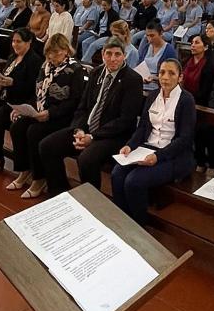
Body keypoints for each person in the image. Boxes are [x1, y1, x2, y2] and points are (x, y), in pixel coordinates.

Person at [39, 37, 144, 196]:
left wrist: (92, 137)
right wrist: (79, 130)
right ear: (102, 54)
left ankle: (91, 202)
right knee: (47, 145)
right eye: (108, 54)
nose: (113, 58)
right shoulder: (95, 72)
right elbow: (82, 107)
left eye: (117, 54)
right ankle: (59, 192)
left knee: (87, 159)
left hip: (113, 136)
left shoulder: (133, 80)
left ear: (124, 56)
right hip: (87, 129)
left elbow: (125, 120)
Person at [112, 59, 196, 224]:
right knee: (117, 173)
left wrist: (158, 156)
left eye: (171, 73)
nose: (165, 77)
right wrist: (130, 145)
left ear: (180, 77)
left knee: (133, 181)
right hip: (147, 149)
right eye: (162, 72)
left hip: (173, 155)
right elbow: (143, 128)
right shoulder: (152, 96)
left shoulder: (186, 100)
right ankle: (122, 221)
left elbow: (185, 139)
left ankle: (139, 225)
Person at [6, 33, 86, 197]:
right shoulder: (46, 66)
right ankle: (25, 170)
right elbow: (38, 92)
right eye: (49, 52)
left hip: (63, 116)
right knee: (18, 127)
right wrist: (24, 108)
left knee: (34, 132)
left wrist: (50, 113)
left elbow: (75, 101)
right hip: (41, 110)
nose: (52, 56)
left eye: (56, 52)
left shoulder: (75, 69)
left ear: (66, 51)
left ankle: (39, 178)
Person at [0, 28, 43, 176]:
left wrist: (12, 83)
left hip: (19, 100)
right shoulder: (13, 57)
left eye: (19, 42)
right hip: (5, 96)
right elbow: (4, 77)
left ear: (29, 42)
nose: (15, 45)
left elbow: (32, 88)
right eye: (13, 41)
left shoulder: (34, 61)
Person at [136, 20, 178, 91]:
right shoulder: (146, 47)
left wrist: (156, 78)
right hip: (142, 83)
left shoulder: (169, 51)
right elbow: (139, 64)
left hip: (158, 87)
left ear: (161, 33)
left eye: (152, 36)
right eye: (147, 36)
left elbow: (172, 74)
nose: (149, 39)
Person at [181, 34, 214, 106]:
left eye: (197, 43)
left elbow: (205, 92)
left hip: (198, 103)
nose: (193, 45)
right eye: (192, 43)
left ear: (205, 47)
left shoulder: (209, 66)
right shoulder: (185, 61)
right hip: (181, 98)